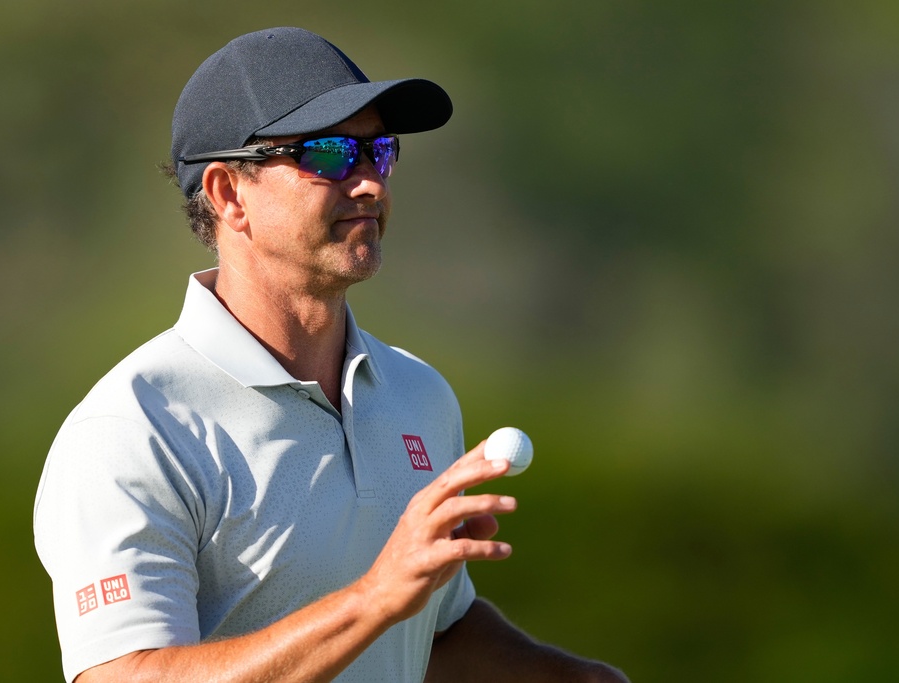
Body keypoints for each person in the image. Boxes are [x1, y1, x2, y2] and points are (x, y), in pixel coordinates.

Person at [33, 26, 629, 683]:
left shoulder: (418, 394)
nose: (371, 183)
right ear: (229, 194)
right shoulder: (132, 429)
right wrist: (373, 598)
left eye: (378, 151)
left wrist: (576, 678)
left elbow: (433, 632)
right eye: (329, 154)